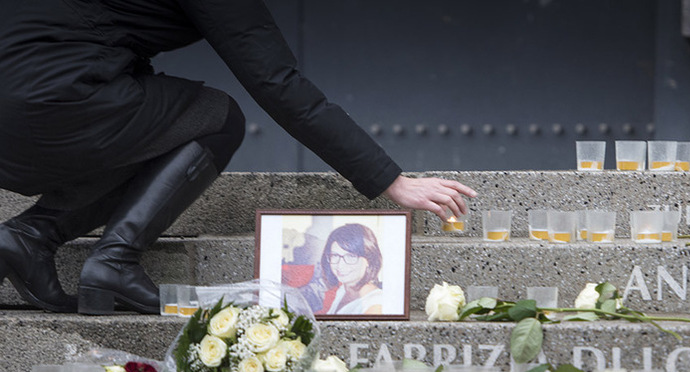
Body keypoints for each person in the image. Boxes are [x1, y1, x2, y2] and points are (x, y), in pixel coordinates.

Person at [0, 0, 475, 315]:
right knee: (217, 118)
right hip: (56, 102)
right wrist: (392, 181)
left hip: (22, 111)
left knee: (152, 123)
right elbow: (277, 83)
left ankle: (32, 235)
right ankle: (115, 260)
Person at [319, 224, 383, 316]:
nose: (340, 265)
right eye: (335, 255)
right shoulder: (343, 290)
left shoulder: (375, 306)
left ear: (369, 259)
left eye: (351, 256)